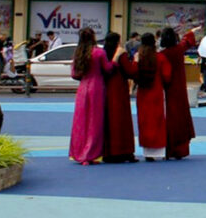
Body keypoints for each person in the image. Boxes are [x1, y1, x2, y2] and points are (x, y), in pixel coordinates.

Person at [69, 29, 116, 165]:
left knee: (81, 121)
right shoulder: (99, 52)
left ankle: (78, 152)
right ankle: (91, 153)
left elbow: (74, 74)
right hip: (97, 87)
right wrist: (115, 61)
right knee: (94, 121)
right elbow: (107, 69)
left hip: (83, 88)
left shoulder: (78, 54)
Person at [158, 25, 200, 159]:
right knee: (181, 117)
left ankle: (169, 148)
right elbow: (186, 42)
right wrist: (190, 32)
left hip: (167, 89)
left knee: (169, 118)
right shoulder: (178, 50)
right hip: (180, 89)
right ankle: (181, 148)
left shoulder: (162, 55)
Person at [101, 32, 137, 163]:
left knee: (108, 120)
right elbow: (130, 71)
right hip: (119, 89)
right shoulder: (121, 53)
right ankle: (123, 151)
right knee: (121, 121)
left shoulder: (102, 53)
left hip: (105, 89)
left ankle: (108, 152)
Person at [134, 33, 170, 161]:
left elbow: (133, 73)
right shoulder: (160, 57)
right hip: (156, 92)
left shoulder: (139, 57)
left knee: (144, 121)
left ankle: (147, 150)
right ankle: (159, 150)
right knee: (157, 121)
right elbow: (167, 76)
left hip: (143, 92)